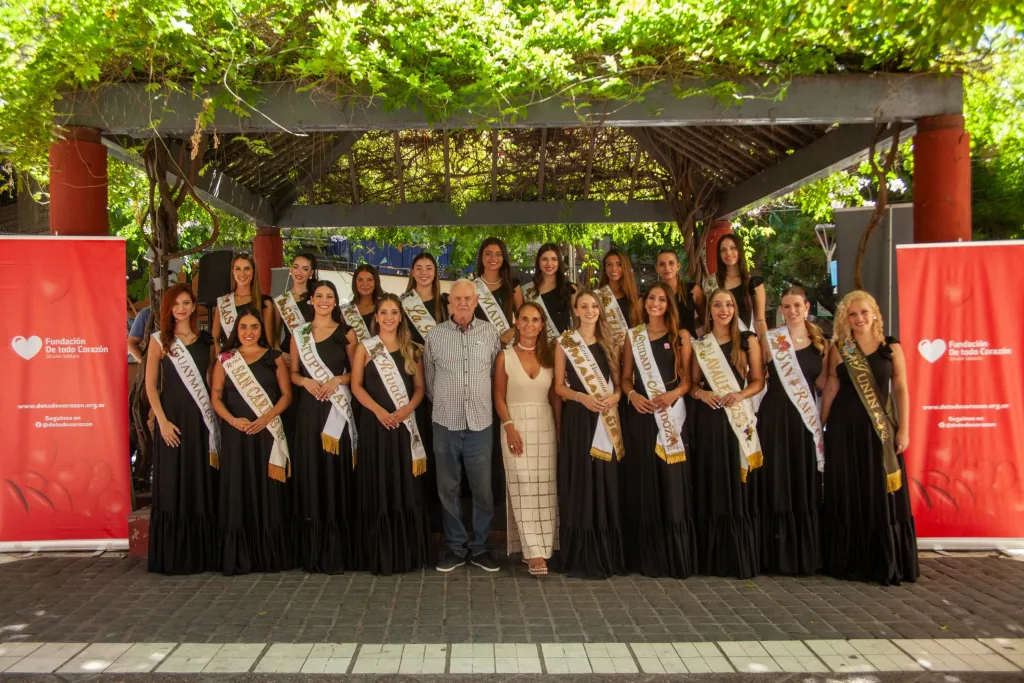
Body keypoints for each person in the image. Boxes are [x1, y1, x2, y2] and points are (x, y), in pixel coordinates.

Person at [820, 290, 918, 585]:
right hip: (844, 429)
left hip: (879, 430)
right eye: (853, 314)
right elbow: (831, 388)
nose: (859, 318)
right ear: (845, 319)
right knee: (848, 490)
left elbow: (900, 388)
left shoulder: (891, 347)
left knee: (879, 490)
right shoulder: (840, 348)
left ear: (874, 312)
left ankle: (882, 560)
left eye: (864, 312)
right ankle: (850, 560)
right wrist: (819, 426)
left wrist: (904, 429)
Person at [423, 278, 502, 572]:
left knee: (483, 490)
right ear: (449, 303)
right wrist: (448, 403)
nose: (463, 303)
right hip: (445, 423)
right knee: (448, 489)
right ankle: (456, 548)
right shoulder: (435, 335)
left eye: (468, 298)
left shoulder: (490, 333)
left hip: (480, 424)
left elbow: (494, 376)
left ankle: (480, 548)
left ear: (476, 301)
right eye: (457, 298)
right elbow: (430, 382)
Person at [620, 282, 697, 579]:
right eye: (651, 298)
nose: (655, 303)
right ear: (644, 302)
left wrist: (673, 394)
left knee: (671, 483)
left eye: (662, 299)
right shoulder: (633, 336)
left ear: (669, 304)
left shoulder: (680, 336)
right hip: (641, 417)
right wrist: (633, 396)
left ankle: (673, 555)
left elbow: (688, 380)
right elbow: (626, 377)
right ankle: (645, 557)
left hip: (671, 416)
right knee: (645, 482)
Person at [351, 294, 431, 574]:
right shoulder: (365, 348)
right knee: (378, 481)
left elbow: (419, 389)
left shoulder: (411, 350)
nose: (388, 317)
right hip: (375, 425)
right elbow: (356, 386)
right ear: (376, 317)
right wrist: (378, 411)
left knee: (403, 483)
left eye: (394, 312)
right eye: (383, 312)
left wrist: (406, 410)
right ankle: (377, 553)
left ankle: (405, 552)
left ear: (400, 317)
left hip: (403, 426)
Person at [690, 289, 765, 579]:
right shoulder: (701, 345)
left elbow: (758, 380)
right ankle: (712, 558)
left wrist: (741, 394)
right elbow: (693, 384)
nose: (724, 310)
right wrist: (701, 393)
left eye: (729, 305)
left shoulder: (747, 341)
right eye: (718, 305)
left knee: (736, 482)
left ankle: (738, 556)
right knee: (713, 481)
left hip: (737, 419)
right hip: (710, 421)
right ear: (709, 311)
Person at [211, 311, 293, 575]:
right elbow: (216, 397)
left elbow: (286, 395)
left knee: (266, 489)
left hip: (267, 432)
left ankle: (267, 555)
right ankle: (239, 555)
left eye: (254, 327)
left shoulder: (274, 357)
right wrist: (233, 421)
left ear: (261, 330)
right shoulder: (226, 359)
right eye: (244, 327)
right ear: (236, 330)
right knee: (239, 488)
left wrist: (266, 417)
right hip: (237, 433)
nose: (249, 332)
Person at [144, 284, 219, 574]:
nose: (182, 308)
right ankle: (173, 554)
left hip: (200, 420)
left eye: (186, 303)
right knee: (172, 481)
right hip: (172, 420)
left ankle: (201, 554)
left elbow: (212, 380)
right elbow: (151, 385)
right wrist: (161, 421)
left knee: (198, 479)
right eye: (176, 304)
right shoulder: (159, 341)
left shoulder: (206, 341)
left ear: (193, 305)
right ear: (168, 308)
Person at [553, 290, 626, 579]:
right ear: (576, 310)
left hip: (605, 419)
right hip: (579, 418)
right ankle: (580, 553)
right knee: (582, 480)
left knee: (605, 480)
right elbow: (558, 387)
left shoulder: (610, 342)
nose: (590, 310)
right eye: (583, 306)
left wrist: (615, 398)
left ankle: (606, 552)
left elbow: (619, 386)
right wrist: (581, 397)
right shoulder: (565, 343)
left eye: (594, 305)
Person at [289, 281, 359, 574]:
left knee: (335, 473)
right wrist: (305, 381)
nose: (324, 300)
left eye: (330, 296)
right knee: (312, 472)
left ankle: (338, 549)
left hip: (337, 412)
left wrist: (337, 380)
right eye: (319, 296)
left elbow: (357, 373)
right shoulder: (299, 334)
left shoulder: (347, 333)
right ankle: (312, 550)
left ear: (335, 301)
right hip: (309, 411)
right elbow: (293, 373)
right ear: (312, 300)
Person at [757, 286, 827, 576]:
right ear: (781, 310)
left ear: (807, 306)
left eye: (797, 305)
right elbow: (757, 378)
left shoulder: (821, 343)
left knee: (802, 478)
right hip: (774, 419)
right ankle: (774, 554)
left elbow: (824, 385)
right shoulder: (770, 340)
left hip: (804, 422)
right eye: (786, 306)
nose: (792, 310)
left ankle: (804, 553)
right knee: (776, 479)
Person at [494, 302, 559, 577]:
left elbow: (555, 397)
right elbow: (498, 395)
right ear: (517, 323)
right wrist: (509, 426)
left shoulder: (550, 356)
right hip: (514, 424)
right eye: (524, 319)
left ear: (542, 325)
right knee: (521, 484)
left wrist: (560, 430)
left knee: (544, 487)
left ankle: (539, 547)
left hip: (544, 424)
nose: (530, 324)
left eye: (535, 319)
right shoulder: (505, 356)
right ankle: (533, 551)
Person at [400, 251, 448, 531]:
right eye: (419, 268)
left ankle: (439, 509)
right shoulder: (403, 303)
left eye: (429, 267)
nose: (424, 272)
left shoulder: (444, 303)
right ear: (412, 272)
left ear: (435, 272)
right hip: (413, 376)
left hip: (442, 379)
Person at [212, 253, 274, 355]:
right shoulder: (223, 302)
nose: (242, 273)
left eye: (247, 269)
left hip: (256, 358)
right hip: (231, 360)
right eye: (238, 269)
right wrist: (222, 357)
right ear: (233, 271)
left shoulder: (265, 303)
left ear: (253, 271)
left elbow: (269, 341)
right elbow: (215, 337)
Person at [472, 237, 523, 345]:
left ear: (504, 258)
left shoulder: (512, 286)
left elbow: (523, 319)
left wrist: (513, 331)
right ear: (481, 257)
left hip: (506, 347)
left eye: (498, 254)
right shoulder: (471, 287)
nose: (493, 258)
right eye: (488, 254)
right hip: (478, 347)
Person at [521, 243, 576, 338]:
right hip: (535, 344)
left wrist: (564, 341)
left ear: (559, 262)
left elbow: (578, 323)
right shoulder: (528, 290)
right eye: (544, 259)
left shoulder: (570, 289)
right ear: (538, 262)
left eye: (554, 259)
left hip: (562, 344)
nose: (549, 263)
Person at [596, 247, 643, 346]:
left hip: (630, 349)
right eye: (609, 265)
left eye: (619, 264)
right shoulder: (597, 297)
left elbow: (639, 328)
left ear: (625, 267)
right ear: (605, 269)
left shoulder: (636, 299)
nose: (614, 268)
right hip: (605, 350)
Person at [275, 252, 317, 355]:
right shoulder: (282, 301)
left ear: (311, 273)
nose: (299, 272)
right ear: (291, 269)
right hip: (288, 354)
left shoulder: (318, 298)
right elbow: (275, 337)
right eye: (296, 267)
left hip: (312, 356)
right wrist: (281, 355)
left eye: (305, 269)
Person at [656, 248, 702, 337]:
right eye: (662, 264)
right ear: (656, 268)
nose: (667, 268)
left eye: (671, 263)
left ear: (678, 266)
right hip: (662, 343)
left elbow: (704, 319)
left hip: (689, 343)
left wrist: (688, 330)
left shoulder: (693, 290)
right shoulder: (653, 295)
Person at [341, 263, 383, 343]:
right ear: (355, 282)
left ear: (376, 282)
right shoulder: (346, 311)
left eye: (369, 279)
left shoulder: (383, 306)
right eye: (360, 279)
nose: (365, 284)